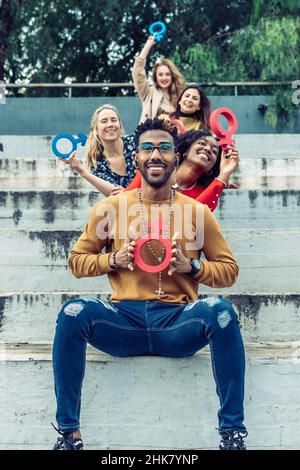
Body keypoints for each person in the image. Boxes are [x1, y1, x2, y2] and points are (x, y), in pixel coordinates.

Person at [51, 118, 247, 451]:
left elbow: (228, 270)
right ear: (137, 157)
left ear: (176, 155)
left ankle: (232, 434)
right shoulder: (110, 209)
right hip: (122, 321)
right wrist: (114, 260)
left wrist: (193, 266)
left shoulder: (198, 213)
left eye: (164, 148)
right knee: (73, 312)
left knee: (221, 312)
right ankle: (69, 435)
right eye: (147, 148)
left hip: (177, 324)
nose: (155, 155)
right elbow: (77, 262)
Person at [126, 128, 239, 212]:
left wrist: (224, 174)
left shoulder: (206, 192)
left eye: (214, 151)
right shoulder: (154, 172)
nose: (207, 149)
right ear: (185, 151)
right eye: (202, 143)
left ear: (211, 168)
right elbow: (121, 205)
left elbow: (193, 217)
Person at [58, 104, 136, 196]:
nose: (110, 124)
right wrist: (82, 171)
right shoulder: (97, 164)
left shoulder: (136, 143)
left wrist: (129, 192)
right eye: (104, 121)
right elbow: (115, 194)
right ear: (96, 130)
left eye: (114, 120)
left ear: (120, 125)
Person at [132, 35, 185, 122]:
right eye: (160, 74)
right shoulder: (148, 92)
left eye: (167, 74)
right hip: (149, 134)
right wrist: (148, 45)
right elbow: (137, 72)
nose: (164, 78)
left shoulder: (181, 95)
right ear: (155, 77)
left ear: (173, 76)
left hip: (174, 134)